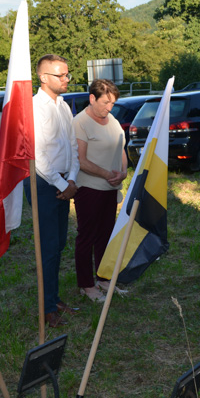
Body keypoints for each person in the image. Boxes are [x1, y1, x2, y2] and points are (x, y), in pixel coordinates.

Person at [25, 54, 80, 328]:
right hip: (43, 184)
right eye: (60, 75)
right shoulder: (34, 108)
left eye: (67, 74)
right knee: (47, 246)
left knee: (58, 244)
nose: (66, 79)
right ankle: (46, 308)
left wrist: (71, 179)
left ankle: (53, 298)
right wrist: (61, 185)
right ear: (43, 78)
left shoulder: (63, 106)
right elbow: (36, 155)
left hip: (63, 183)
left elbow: (72, 147)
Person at [72, 79, 128, 302]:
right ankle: (86, 285)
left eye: (113, 103)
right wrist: (107, 175)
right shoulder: (80, 122)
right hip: (89, 188)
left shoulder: (112, 119)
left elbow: (120, 147)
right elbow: (81, 161)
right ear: (92, 98)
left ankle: (104, 279)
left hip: (110, 188)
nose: (109, 107)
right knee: (87, 236)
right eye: (105, 102)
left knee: (106, 235)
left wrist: (123, 172)